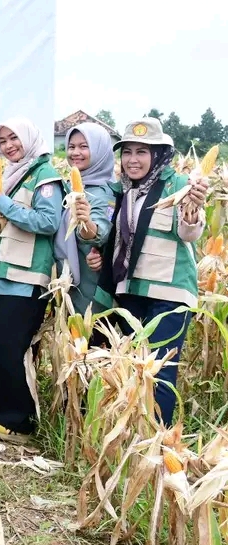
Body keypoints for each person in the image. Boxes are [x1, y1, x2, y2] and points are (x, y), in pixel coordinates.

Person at [93, 118, 207, 426]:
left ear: (158, 155)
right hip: (130, 291)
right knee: (131, 367)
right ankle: (132, 434)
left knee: (159, 370)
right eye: (127, 152)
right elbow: (115, 237)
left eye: (142, 152)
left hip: (168, 293)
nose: (133, 160)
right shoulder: (122, 191)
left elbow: (189, 234)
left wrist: (193, 213)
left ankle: (159, 439)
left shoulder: (180, 186)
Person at [0, 117, 62, 436]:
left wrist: (5, 205)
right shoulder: (14, 175)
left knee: (12, 347)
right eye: (3, 141)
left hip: (27, 275)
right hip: (1, 273)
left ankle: (19, 418)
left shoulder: (45, 174)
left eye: (14, 138)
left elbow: (48, 221)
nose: (9, 146)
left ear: (29, 138)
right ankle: (4, 409)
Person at [54, 123, 116, 316]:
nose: (75, 152)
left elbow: (100, 231)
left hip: (90, 291)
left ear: (100, 151)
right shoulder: (70, 188)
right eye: (71, 147)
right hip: (66, 286)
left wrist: (87, 223)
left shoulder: (106, 193)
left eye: (84, 146)